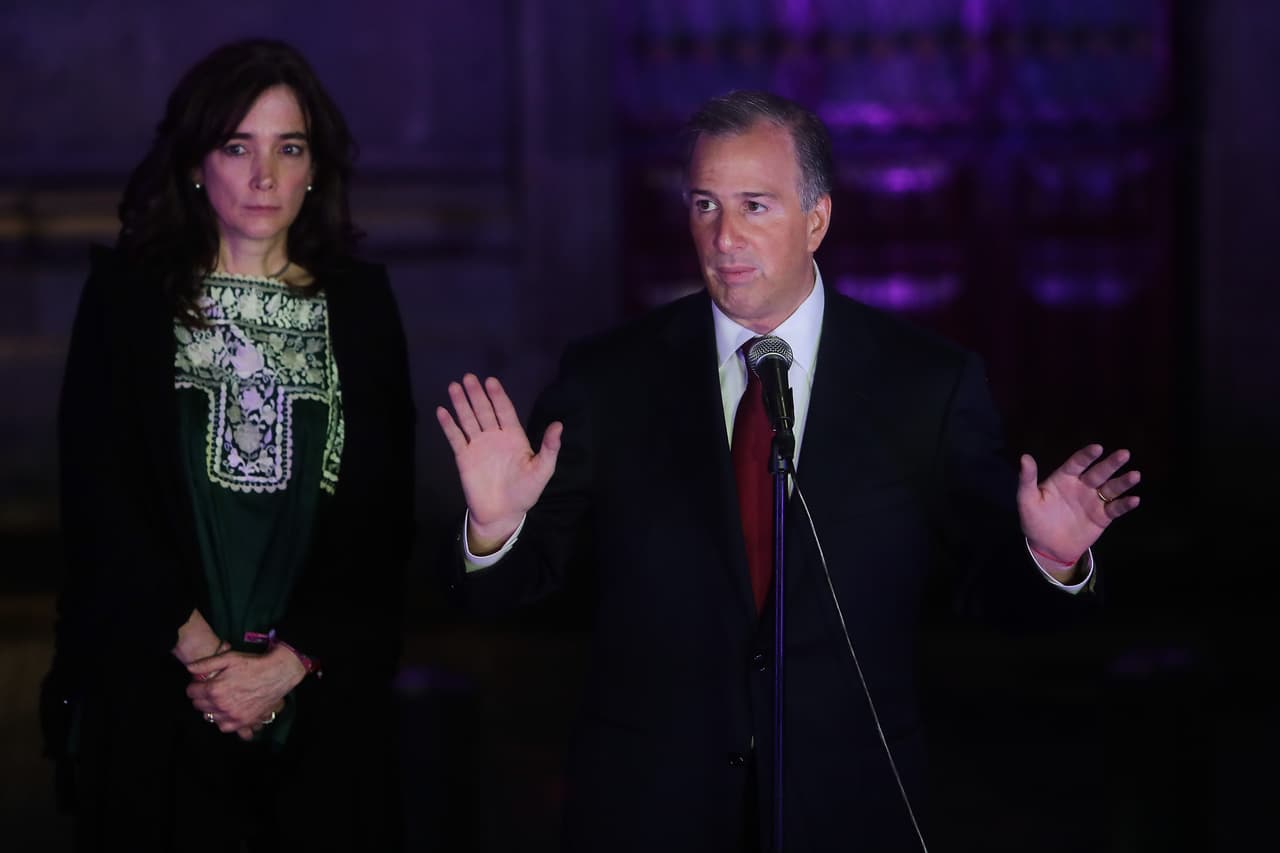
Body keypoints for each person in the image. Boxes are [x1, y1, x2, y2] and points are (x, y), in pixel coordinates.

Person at [436, 90, 1140, 852]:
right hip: (648, 808)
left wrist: (1051, 558)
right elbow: (514, 598)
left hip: (848, 806)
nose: (725, 236)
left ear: (817, 220)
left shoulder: (926, 384)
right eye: (705, 204)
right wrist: (497, 530)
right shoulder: (609, 378)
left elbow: (998, 598)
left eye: (755, 206)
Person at [39, 39, 415, 850]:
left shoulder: (362, 307)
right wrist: (213, 667)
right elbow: (101, 499)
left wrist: (290, 664)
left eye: (289, 147)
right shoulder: (125, 301)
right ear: (192, 163)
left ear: (315, 167)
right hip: (157, 700)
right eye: (236, 146)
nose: (264, 176)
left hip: (318, 713)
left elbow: (380, 522)